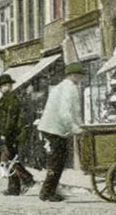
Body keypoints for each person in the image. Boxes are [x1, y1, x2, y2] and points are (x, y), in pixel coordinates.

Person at [37, 63, 85, 202]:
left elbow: (72, 113)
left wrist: (80, 125)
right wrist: (76, 128)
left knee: (56, 161)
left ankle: (48, 190)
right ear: (75, 75)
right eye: (80, 75)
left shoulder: (61, 87)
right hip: (55, 129)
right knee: (57, 162)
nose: (81, 78)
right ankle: (47, 192)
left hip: (52, 128)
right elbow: (65, 113)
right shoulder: (70, 89)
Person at [0, 73, 35, 196]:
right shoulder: (6, 99)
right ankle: (14, 188)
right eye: (2, 86)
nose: (3, 88)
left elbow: (10, 119)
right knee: (9, 159)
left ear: (9, 86)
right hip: (9, 134)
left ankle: (27, 179)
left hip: (11, 134)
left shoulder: (11, 99)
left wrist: (5, 134)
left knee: (7, 160)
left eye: (5, 85)